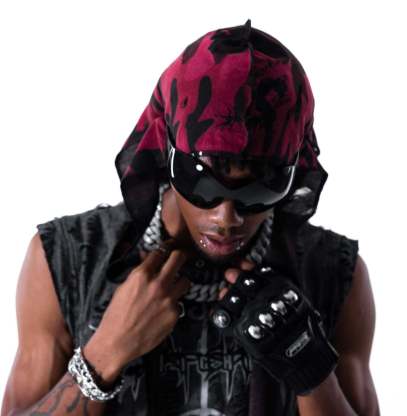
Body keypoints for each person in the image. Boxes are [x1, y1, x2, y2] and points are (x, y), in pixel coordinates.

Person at [1, 19, 380, 416]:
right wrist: (105, 353)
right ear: (165, 147)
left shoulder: (333, 273)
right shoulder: (67, 260)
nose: (226, 217)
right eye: (202, 180)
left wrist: (309, 368)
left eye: (259, 189)